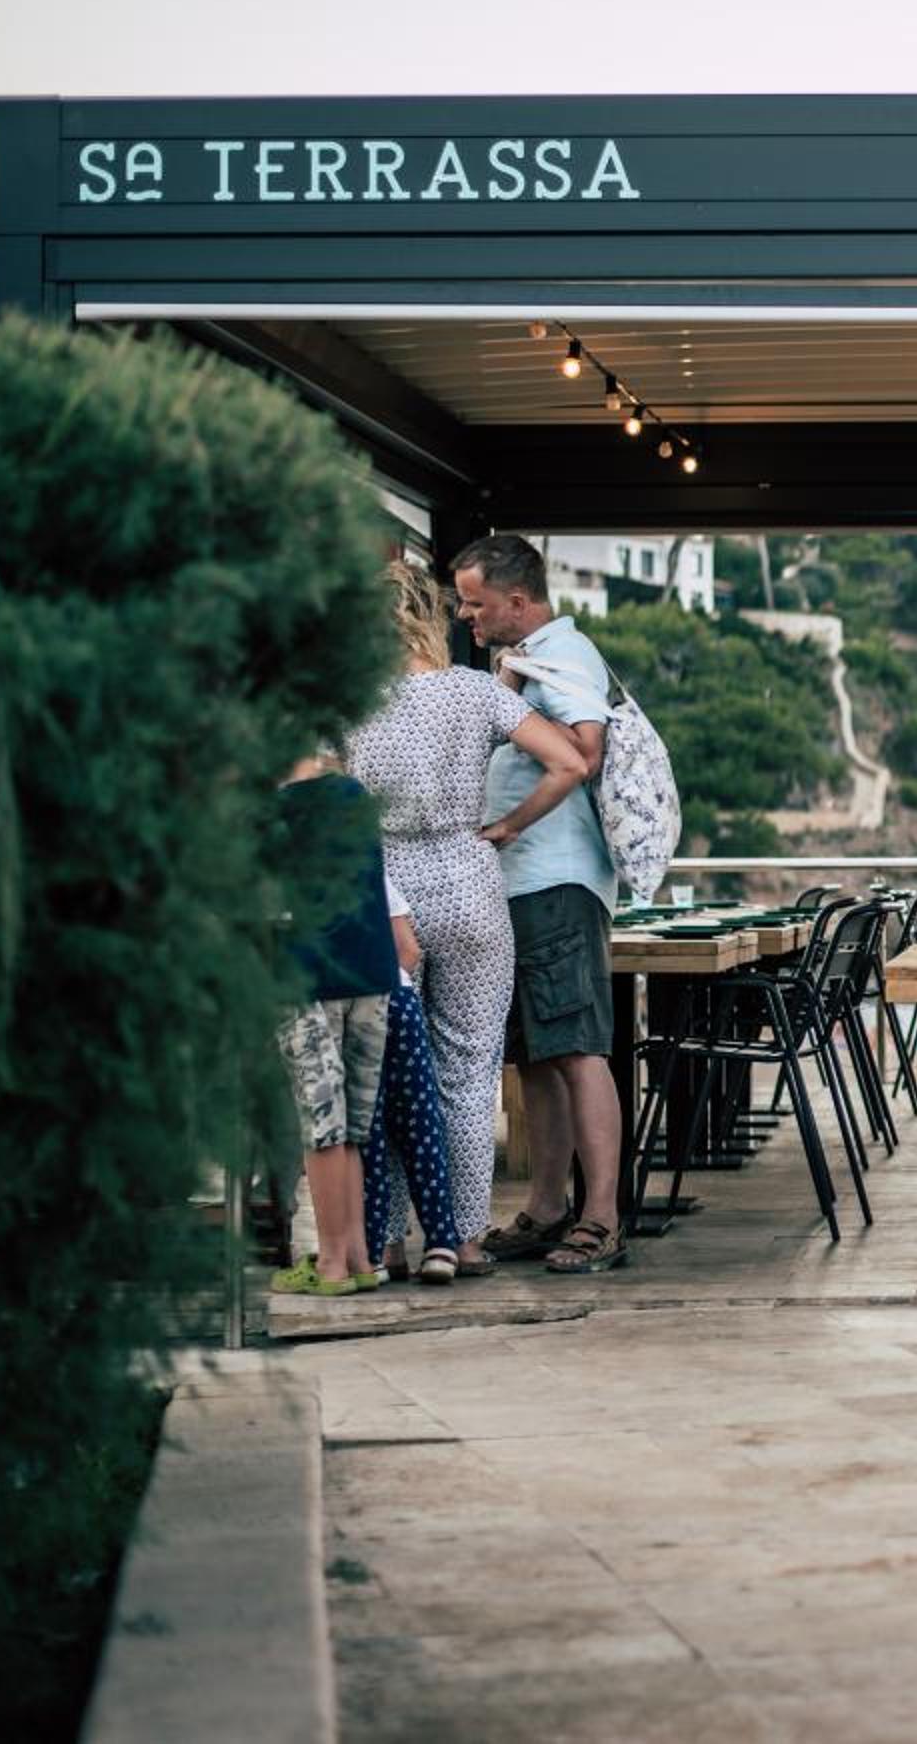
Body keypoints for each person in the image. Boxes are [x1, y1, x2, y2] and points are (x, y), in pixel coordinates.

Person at [345, 560, 589, 1278]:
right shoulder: (477, 691)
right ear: (431, 617)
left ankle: (388, 1241)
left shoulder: (350, 703)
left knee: (390, 1070)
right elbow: (571, 763)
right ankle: (462, 1238)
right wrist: (509, 825)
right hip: (469, 884)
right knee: (469, 1070)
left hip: (387, 892)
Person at [452, 534, 630, 1276]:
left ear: (517, 601)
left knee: (578, 1049)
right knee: (537, 1055)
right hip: (522, 887)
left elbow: (583, 752)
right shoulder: (530, 661)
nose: (466, 616)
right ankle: (547, 1207)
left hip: (554, 882)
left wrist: (509, 825)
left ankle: (602, 1218)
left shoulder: (562, 656)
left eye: (475, 603)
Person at [267, 756, 397, 1296]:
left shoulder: (275, 813)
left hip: (309, 978)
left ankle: (330, 1265)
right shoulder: (355, 798)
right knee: (355, 1130)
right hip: (372, 974)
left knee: (321, 1128)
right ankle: (360, 1257)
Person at [359, 874, 462, 1286]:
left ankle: (371, 1253)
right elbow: (409, 950)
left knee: (366, 1136)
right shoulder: (372, 873)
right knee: (421, 1127)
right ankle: (441, 1245)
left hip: (350, 1007)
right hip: (399, 1000)